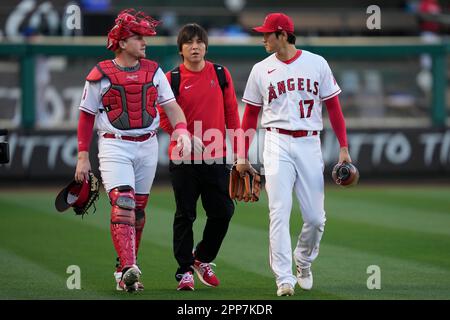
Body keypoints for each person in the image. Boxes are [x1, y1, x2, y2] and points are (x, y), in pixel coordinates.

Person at [74, 8, 191, 292]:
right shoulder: (100, 74)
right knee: (124, 202)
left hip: (148, 144)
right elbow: (86, 115)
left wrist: (182, 130)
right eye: (138, 37)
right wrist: (82, 156)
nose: (145, 42)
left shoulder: (154, 70)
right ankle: (130, 267)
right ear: (123, 42)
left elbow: (171, 107)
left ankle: (123, 272)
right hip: (115, 144)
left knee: (138, 210)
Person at [237, 13, 352, 296]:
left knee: (315, 218)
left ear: (283, 34)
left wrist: (344, 147)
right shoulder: (260, 69)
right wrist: (242, 154)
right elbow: (250, 115)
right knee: (279, 210)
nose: (263, 38)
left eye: (267, 34)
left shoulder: (316, 63)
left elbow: (334, 108)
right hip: (275, 142)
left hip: (309, 143)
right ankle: (283, 278)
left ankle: (303, 260)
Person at [158, 23, 241, 291]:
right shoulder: (172, 79)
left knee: (223, 212)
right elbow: (163, 117)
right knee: (186, 214)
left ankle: (202, 258)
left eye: (199, 42)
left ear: (206, 46)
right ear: (180, 49)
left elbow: (232, 114)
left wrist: (240, 152)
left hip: (217, 156)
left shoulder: (220, 73)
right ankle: (184, 271)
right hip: (183, 159)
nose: (195, 46)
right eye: (189, 42)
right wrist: (183, 136)